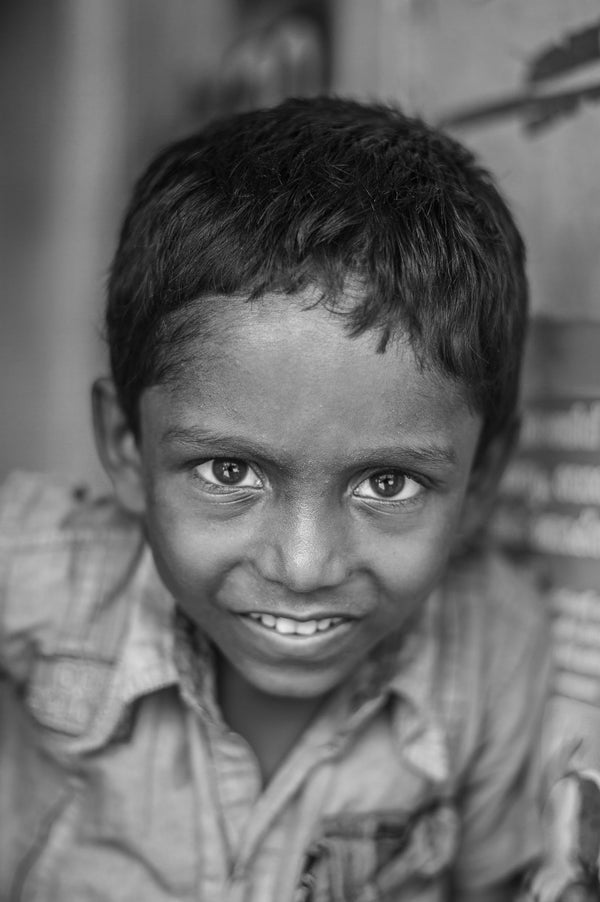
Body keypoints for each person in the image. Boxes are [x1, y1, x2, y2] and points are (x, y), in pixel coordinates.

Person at [0, 96, 552, 901]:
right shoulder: (49, 573)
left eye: (386, 483)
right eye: (230, 472)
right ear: (126, 446)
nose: (303, 564)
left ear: (481, 483)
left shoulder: (494, 646)